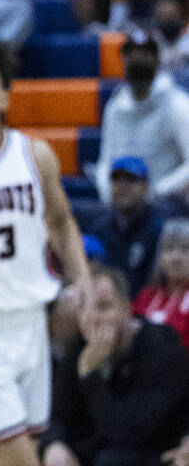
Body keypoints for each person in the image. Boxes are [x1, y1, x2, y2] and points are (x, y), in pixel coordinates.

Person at [0, 33, 91, 466]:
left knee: (7, 453)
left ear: (5, 96)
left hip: (31, 323)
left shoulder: (35, 155)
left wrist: (81, 277)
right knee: (19, 459)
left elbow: (62, 222)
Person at [41, 265, 189, 466]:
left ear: (127, 308)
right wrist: (53, 444)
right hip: (104, 451)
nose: (92, 317)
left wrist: (92, 376)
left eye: (103, 306)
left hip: (154, 451)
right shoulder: (80, 346)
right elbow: (56, 414)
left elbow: (128, 434)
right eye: (83, 307)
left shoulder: (162, 347)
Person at [94, 31, 189, 206]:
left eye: (145, 55)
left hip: (164, 205)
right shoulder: (115, 107)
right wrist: (108, 193)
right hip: (121, 205)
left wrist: (154, 194)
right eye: (132, 55)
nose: (138, 61)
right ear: (123, 60)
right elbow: (105, 161)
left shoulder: (178, 104)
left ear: (157, 60)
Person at [84, 156, 167, 298]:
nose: (123, 186)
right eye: (117, 180)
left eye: (131, 180)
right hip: (109, 304)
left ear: (146, 186)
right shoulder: (100, 228)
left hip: (147, 307)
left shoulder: (159, 228)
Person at [134, 218, 189, 348]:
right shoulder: (145, 297)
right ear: (159, 258)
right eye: (169, 249)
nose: (176, 258)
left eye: (186, 249)